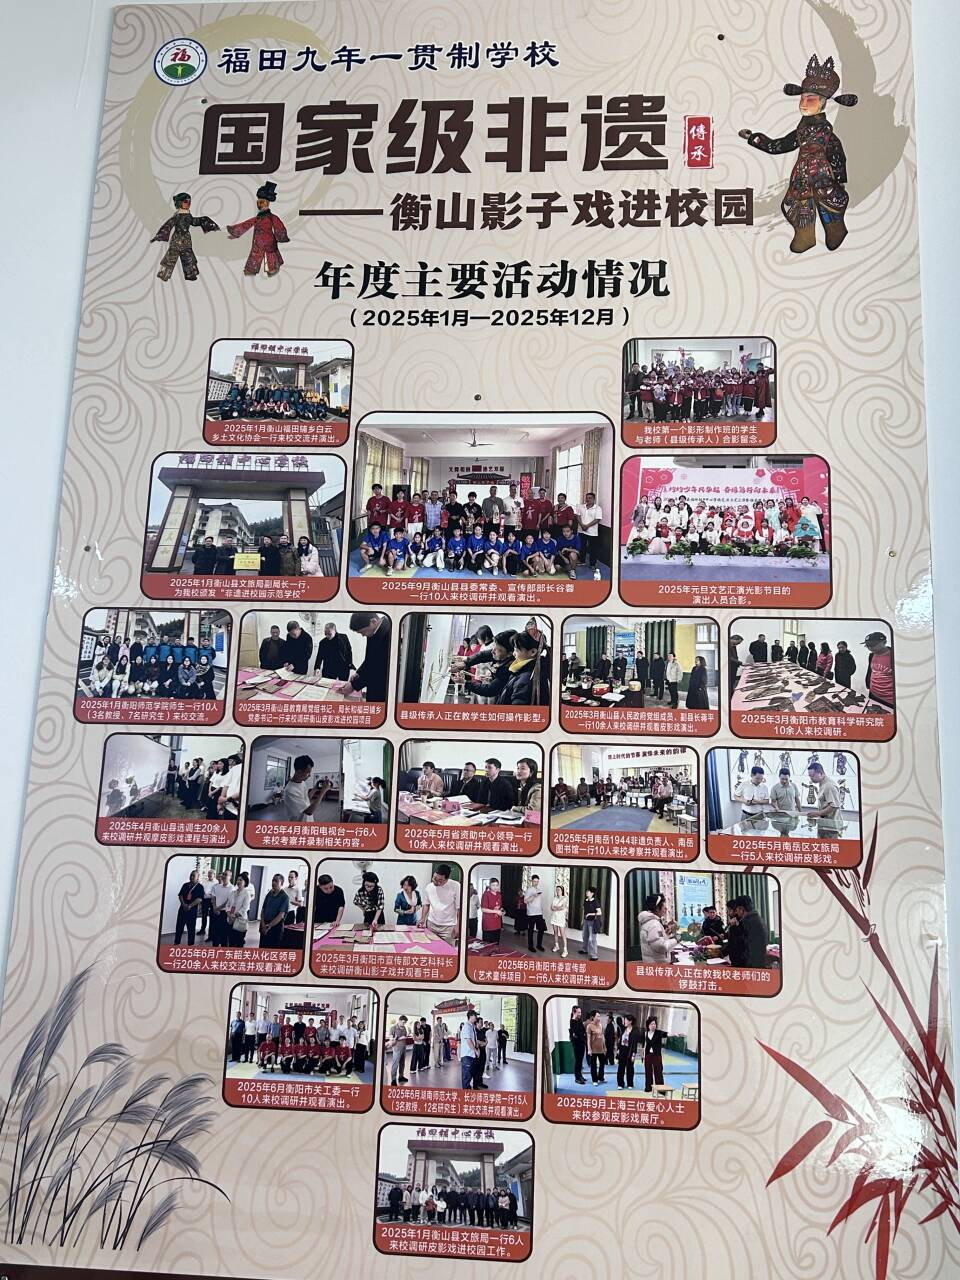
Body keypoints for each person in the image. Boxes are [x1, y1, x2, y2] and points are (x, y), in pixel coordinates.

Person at [332, 613, 391, 704]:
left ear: (373, 621)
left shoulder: (388, 632)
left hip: (382, 687)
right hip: (372, 685)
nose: (363, 635)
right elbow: (370, 659)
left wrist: (354, 686)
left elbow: (378, 668)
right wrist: (358, 673)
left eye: (363, 632)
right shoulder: (374, 631)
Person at [725, 895, 769, 967]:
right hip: (758, 964)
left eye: (737, 910)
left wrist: (733, 928)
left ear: (741, 909)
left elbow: (735, 947)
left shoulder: (745, 923)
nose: (736, 913)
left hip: (746, 966)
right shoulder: (759, 920)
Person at [422, 865, 461, 946]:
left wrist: (458, 925)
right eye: (434, 878)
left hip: (448, 927)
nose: (436, 882)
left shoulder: (455, 886)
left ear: (447, 878)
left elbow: (459, 908)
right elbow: (426, 904)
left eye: (440, 880)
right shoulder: (429, 887)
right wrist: (422, 918)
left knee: (448, 950)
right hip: (431, 924)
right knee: (431, 948)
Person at [637, 892, 678, 961]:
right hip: (657, 964)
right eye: (664, 907)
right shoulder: (654, 924)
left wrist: (666, 934)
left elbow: (656, 941)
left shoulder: (651, 922)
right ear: (657, 909)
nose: (666, 909)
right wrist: (676, 939)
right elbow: (661, 947)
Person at [807, 760, 842, 835]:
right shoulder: (822, 784)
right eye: (809, 776)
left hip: (831, 826)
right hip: (825, 823)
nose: (811, 778)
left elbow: (833, 806)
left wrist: (817, 813)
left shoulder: (829, 786)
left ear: (821, 773)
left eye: (813, 776)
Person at [864, 631, 894, 706]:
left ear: (884, 642)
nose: (870, 648)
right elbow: (871, 671)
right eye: (867, 645)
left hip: (889, 700)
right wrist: (868, 684)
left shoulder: (895, 656)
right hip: (873, 694)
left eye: (873, 645)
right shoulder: (872, 655)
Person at [174, 870, 205, 945]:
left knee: (191, 929)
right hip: (182, 909)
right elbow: (180, 895)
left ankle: (190, 945)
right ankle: (176, 943)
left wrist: (190, 906)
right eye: (191, 875)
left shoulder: (200, 887)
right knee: (179, 927)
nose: (191, 877)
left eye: (193, 875)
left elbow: (199, 899)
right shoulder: (185, 885)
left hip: (192, 911)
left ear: (197, 877)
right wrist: (184, 904)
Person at [259, 874, 289, 949]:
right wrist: (263, 924)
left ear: (281, 883)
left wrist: (269, 926)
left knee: (272, 950)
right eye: (273, 880)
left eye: (276, 881)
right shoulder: (269, 894)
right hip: (264, 925)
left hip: (275, 927)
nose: (273, 882)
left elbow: (280, 915)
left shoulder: (284, 897)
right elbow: (263, 910)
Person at [576, 492, 603, 567]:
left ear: (594, 499)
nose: (588, 499)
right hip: (581, 530)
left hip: (592, 532)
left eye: (590, 498)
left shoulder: (598, 508)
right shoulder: (581, 507)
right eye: (587, 498)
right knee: (582, 547)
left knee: (593, 548)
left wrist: (587, 526)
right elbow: (578, 516)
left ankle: (592, 564)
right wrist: (582, 525)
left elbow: (597, 519)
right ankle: (582, 561)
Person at [227, 872, 254, 947]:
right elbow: (228, 905)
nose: (238, 881)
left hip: (240, 921)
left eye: (241, 880)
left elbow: (245, 908)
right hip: (230, 920)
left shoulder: (246, 894)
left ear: (245, 882)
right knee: (231, 942)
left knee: (239, 942)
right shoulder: (232, 892)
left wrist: (234, 916)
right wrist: (229, 914)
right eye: (238, 880)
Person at [643, 1016, 668, 1093]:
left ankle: (660, 1090)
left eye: (654, 1024)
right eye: (652, 1024)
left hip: (656, 1055)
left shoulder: (658, 1032)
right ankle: (648, 1088)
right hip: (648, 1055)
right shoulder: (646, 1033)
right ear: (648, 1025)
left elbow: (666, 1034)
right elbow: (645, 1045)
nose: (653, 1025)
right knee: (648, 1072)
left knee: (658, 1072)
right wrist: (643, 1055)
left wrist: (674, 1034)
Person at [523, 875, 546, 952]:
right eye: (534, 881)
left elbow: (539, 901)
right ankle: (530, 946)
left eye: (537, 881)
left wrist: (541, 908)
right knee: (531, 930)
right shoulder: (529, 890)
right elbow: (525, 901)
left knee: (541, 929)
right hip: (531, 913)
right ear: (532, 881)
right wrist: (533, 896)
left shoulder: (539, 889)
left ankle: (539, 945)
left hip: (539, 912)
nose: (536, 883)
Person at [616, 1014, 639, 1090]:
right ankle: (620, 1084)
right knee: (621, 1068)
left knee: (630, 1068)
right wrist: (618, 1049)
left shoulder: (635, 1031)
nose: (624, 1022)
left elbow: (635, 1044)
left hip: (630, 1051)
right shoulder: (623, 1029)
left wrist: (634, 1054)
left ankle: (630, 1083)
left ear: (630, 1021)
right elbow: (620, 1040)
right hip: (622, 1050)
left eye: (625, 1020)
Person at [579, 886, 603, 961]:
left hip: (593, 922)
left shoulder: (595, 902)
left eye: (588, 891)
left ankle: (594, 956)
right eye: (586, 891)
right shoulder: (586, 900)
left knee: (592, 939)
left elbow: (599, 913)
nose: (586, 892)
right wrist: (582, 920)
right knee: (584, 936)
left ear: (592, 893)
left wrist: (590, 914)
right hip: (586, 921)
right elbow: (584, 910)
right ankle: (585, 950)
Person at [481, 877, 504, 950]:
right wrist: (496, 911)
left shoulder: (499, 895)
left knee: (496, 944)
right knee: (488, 945)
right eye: (493, 885)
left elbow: (499, 906)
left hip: (497, 923)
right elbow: (483, 909)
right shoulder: (486, 894)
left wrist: (501, 910)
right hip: (488, 923)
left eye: (497, 885)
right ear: (490, 886)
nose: (495, 887)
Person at [586, 1011, 607, 1084]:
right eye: (597, 1016)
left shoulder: (601, 1025)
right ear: (593, 1017)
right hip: (593, 1049)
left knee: (602, 1064)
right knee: (593, 1065)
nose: (599, 1018)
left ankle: (601, 1077)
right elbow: (588, 1039)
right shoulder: (589, 1026)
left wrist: (604, 1047)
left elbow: (603, 1037)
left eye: (599, 1016)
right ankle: (595, 1080)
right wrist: (589, 1049)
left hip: (601, 1049)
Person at [569, 1005, 587, 1084]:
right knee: (578, 1061)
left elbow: (582, 1030)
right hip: (576, 1045)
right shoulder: (572, 1021)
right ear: (574, 1012)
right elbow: (576, 1033)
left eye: (580, 1012)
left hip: (582, 1043)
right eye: (578, 1012)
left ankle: (580, 1075)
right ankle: (577, 1078)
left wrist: (582, 1036)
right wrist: (580, 1035)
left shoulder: (579, 1020)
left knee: (580, 1061)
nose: (580, 1014)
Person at [389, 1015, 409, 1085]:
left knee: (402, 1063)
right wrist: (400, 1038)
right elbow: (391, 1039)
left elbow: (405, 1036)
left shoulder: (404, 1028)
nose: (404, 1024)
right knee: (395, 1064)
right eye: (403, 1022)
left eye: (405, 1023)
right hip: (397, 1048)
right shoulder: (393, 1028)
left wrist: (405, 1037)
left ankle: (401, 1076)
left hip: (403, 1048)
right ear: (399, 1020)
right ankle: (393, 1080)